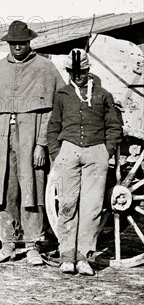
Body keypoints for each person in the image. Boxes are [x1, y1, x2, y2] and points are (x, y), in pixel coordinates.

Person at [0, 21, 64, 265]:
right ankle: (7, 244)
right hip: (3, 140)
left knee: (32, 189)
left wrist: (41, 144)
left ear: (29, 42)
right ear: (8, 43)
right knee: (5, 191)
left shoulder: (45, 68)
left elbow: (52, 112)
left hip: (31, 138)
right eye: (13, 43)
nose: (17, 47)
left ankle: (33, 245)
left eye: (22, 43)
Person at [47, 49, 122, 276]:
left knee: (91, 208)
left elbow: (114, 126)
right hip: (68, 153)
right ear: (69, 72)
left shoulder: (103, 95)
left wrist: (105, 152)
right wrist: (57, 154)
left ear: (89, 71)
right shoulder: (62, 95)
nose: (77, 76)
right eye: (73, 71)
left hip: (96, 153)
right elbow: (53, 127)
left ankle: (84, 258)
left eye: (81, 71)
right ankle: (67, 256)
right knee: (68, 205)